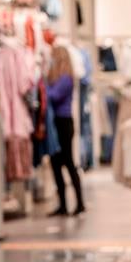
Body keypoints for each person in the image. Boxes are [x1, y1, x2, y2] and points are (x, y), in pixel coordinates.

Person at [46, 46, 85, 217]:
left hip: (64, 123)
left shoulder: (66, 79)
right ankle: (62, 204)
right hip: (55, 123)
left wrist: (43, 87)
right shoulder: (54, 78)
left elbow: (53, 96)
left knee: (68, 162)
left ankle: (80, 203)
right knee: (55, 164)